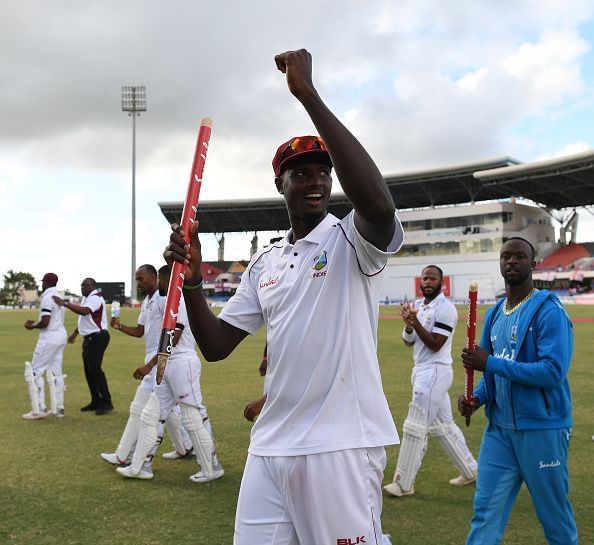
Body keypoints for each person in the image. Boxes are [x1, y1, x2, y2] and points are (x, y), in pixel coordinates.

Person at [165, 49, 403, 544]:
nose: (315, 180)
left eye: (323, 171)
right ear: (281, 183)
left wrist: (307, 95)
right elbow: (215, 346)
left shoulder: (351, 241)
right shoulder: (265, 261)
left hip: (338, 446)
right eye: (301, 172)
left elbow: (379, 205)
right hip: (270, 447)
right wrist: (190, 280)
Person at [459, 237, 578, 545]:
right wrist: (477, 398)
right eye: (505, 256)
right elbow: (491, 376)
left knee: (555, 518)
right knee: (484, 513)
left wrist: (491, 363)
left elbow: (552, 373)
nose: (511, 261)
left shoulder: (549, 311)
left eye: (519, 257)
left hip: (541, 430)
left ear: (533, 263)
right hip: (499, 431)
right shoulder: (496, 313)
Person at [115, 264, 222, 482]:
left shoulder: (180, 299)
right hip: (168, 364)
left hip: (182, 363)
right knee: (150, 415)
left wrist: (151, 364)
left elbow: (176, 336)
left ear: (166, 280)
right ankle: (141, 467)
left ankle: (211, 468)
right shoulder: (168, 299)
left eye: (162, 281)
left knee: (192, 418)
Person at [383, 265, 477, 497]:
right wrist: (409, 324)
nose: (427, 282)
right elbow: (409, 342)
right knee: (443, 426)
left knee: (416, 425)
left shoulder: (446, 309)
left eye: (431, 278)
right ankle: (471, 470)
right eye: (424, 278)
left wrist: (415, 322)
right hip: (422, 371)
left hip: (436, 372)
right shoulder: (419, 306)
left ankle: (403, 483)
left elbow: (436, 343)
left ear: (440, 282)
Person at [100, 265, 192, 466]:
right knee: (166, 409)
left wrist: (151, 365)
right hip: (154, 358)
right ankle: (184, 447)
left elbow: (174, 332)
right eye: (136, 280)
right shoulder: (148, 302)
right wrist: (120, 326)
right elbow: (140, 331)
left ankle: (122, 455)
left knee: (139, 407)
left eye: (141, 279)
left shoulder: (163, 299)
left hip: (161, 359)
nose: (138, 283)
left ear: (154, 277)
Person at [53, 278, 113, 415]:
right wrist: (75, 333)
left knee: (95, 370)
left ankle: (107, 402)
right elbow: (85, 320)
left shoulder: (95, 298)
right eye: (81, 285)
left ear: (92, 286)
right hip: (89, 338)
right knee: (89, 371)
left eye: (84, 285)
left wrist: (65, 304)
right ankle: (96, 400)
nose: (82, 288)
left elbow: (85, 312)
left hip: (98, 337)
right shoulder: (88, 298)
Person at [22, 272, 67, 419]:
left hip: (49, 337)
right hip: (60, 336)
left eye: (43, 282)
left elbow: (45, 322)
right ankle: (59, 408)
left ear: (46, 283)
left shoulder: (48, 298)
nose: (42, 285)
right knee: (56, 372)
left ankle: (39, 409)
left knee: (34, 371)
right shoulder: (59, 296)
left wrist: (32, 326)